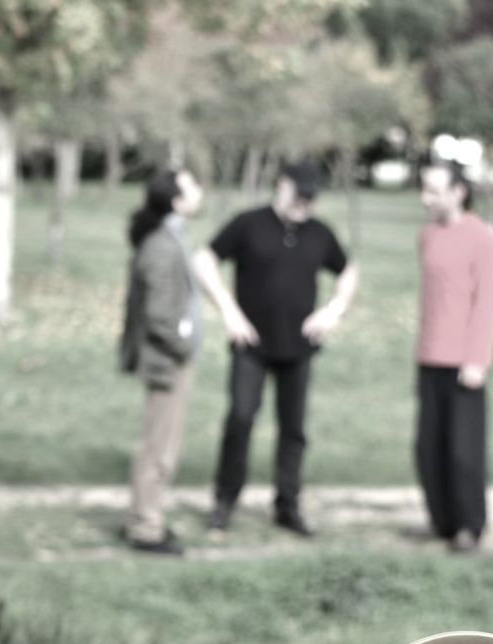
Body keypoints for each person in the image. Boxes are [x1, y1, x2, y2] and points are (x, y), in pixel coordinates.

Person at [191, 163, 359, 537]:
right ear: (281, 187)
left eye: (311, 197)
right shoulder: (249, 224)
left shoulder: (319, 233)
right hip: (250, 344)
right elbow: (204, 260)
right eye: (299, 194)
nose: (305, 203)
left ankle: (288, 505)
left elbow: (348, 270)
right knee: (241, 419)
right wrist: (229, 312)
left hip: (299, 348)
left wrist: (334, 310)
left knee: (293, 429)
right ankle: (225, 501)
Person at [413, 162, 493, 553]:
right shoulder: (428, 236)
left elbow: (487, 304)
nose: (426, 198)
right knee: (427, 445)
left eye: (434, 191)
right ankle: (441, 519)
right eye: (425, 190)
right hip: (429, 355)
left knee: (463, 448)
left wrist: (477, 360)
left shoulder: (483, 239)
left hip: (464, 360)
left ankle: (469, 525)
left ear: (458, 192)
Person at [120, 168, 206, 555]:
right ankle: (145, 528)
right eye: (191, 187)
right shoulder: (161, 245)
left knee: (164, 445)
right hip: (167, 362)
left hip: (172, 359)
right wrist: (184, 347)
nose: (199, 191)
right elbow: (158, 315)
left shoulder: (170, 238)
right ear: (175, 200)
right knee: (159, 448)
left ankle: (148, 519)